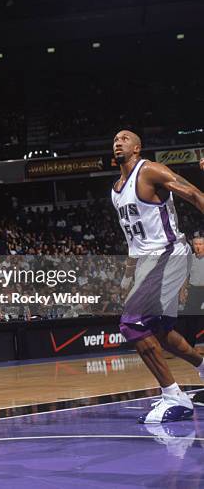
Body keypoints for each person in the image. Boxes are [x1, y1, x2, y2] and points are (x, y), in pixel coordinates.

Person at [111, 130, 204, 423]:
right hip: (147, 261)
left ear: (137, 148)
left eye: (125, 138)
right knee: (160, 331)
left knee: (132, 324)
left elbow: (193, 194)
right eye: (115, 138)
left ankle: (174, 396)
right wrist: (128, 276)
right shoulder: (116, 189)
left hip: (169, 253)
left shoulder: (149, 170)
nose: (118, 141)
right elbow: (133, 241)